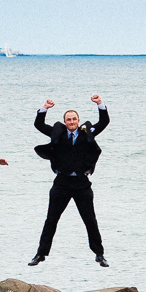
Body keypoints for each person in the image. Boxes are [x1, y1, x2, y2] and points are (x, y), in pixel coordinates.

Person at [28, 95, 109, 267]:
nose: (71, 122)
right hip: (62, 183)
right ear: (65, 122)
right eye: (68, 120)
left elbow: (104, 122)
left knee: (90, 220)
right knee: (51, 219)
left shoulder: (88, 132)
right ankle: (40, 254)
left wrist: (100, 104)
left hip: (82, 183)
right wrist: (44, 108)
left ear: (78, 121)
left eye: (74, 119)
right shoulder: (58, 132)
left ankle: (99, 254)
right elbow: (39, 125)